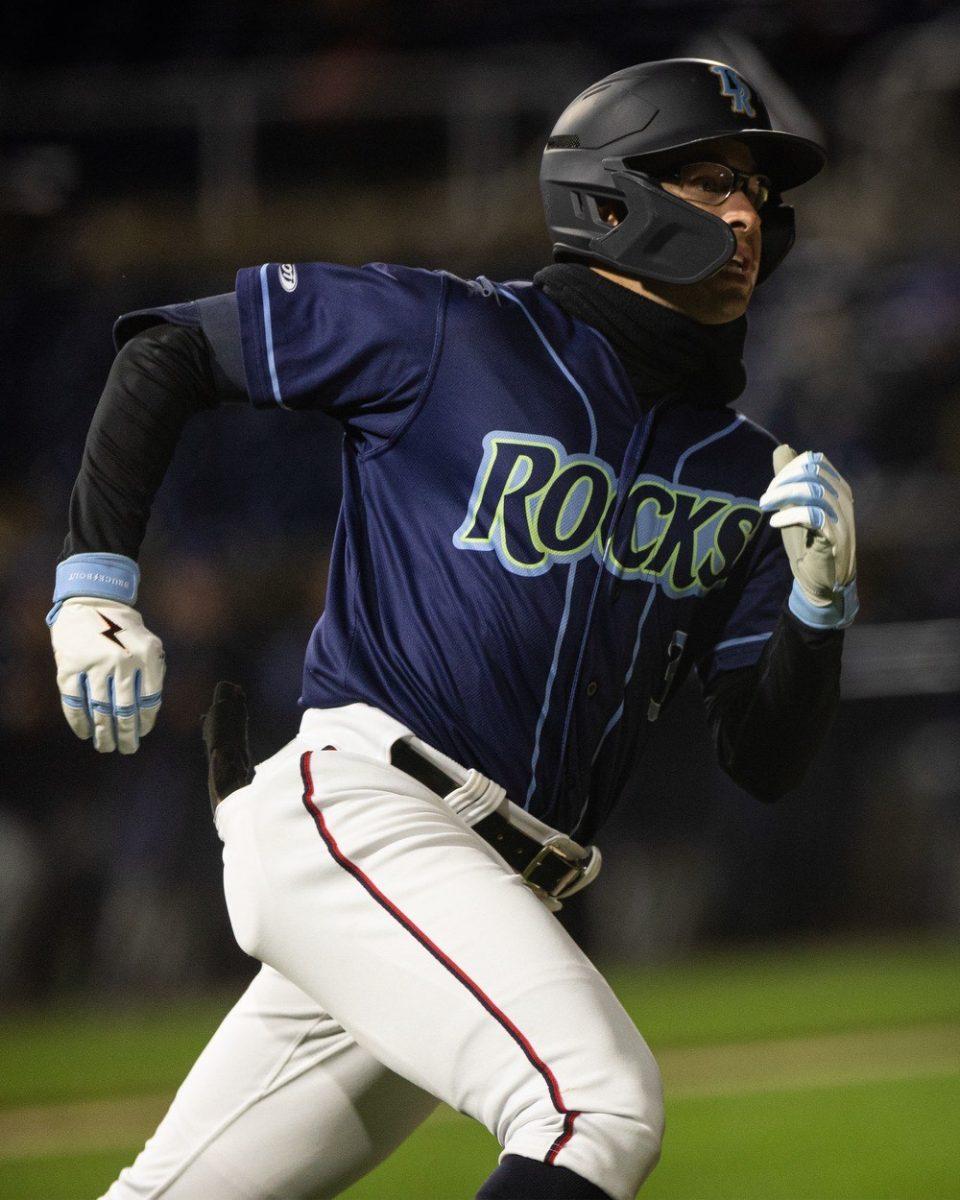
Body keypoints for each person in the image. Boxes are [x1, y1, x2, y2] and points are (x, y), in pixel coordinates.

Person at [48, 58, 857, 1200]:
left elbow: (763, 761)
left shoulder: (745, 473)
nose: (744, 215)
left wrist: (820, 612)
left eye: (757, 196)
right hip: (370, 811)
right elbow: (167, 350)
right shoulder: (455, 331)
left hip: (492, 887)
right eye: (710, 179)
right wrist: (92, 585)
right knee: (596, 1109)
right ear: (609, 198)